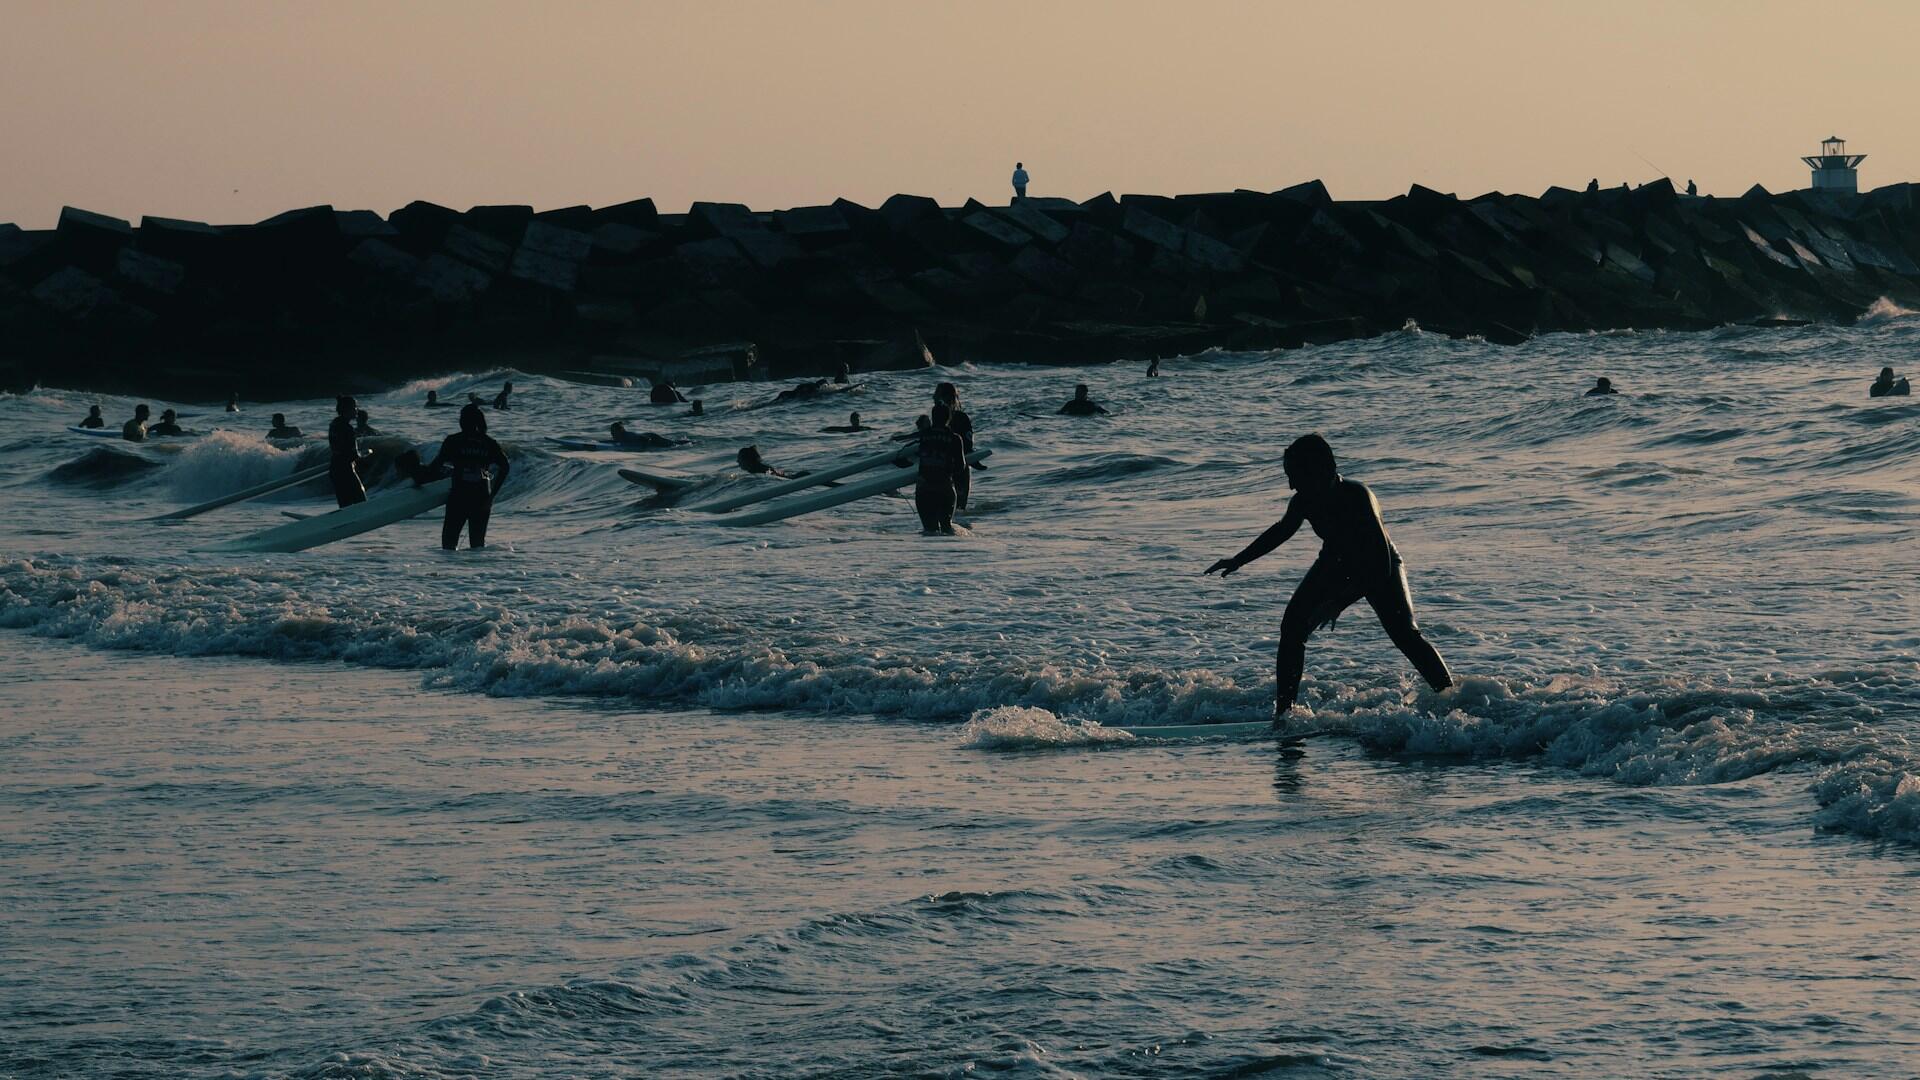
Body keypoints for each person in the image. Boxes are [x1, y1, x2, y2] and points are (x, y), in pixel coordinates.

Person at [1205, 433, 1454, 718]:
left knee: (1405, 634)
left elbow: (1380, 566)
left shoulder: (1358, 496)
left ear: (1322, 469)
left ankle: (1450, 698)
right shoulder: (1302, 501)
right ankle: (1284, 714)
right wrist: (1239, 559)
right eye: (1289, 477)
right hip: (1334, 562)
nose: (1291, 485)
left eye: (1296, 476)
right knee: (1292, 628)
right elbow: (1281, 531)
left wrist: (1338, 603)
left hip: (1377, 563)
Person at [422, 403, 510, 550]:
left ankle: (452, 567)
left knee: (448, 546)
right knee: (477, 546)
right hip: (482, 498)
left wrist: (420, 479)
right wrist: (492, 496)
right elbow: (505, 467)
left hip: (459, 496)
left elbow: (435, 467)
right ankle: (478, 566)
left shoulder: (453, 441)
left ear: (463, 421)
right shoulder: (489, 442)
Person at [897, 405, 965, 535]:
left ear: (933, 418)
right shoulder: (955, 438)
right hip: (944, 488)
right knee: (946, 529)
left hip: (924, 489)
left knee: (929, 531)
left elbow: (902, 457)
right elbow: (960, 467)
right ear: (949, 418)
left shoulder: (923, 436)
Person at [934, 382, 977, 510]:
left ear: (946, 397)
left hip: (959, 467)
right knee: (946, 508)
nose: (933, 397)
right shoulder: (936, 418)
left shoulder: (961, 418)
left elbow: (968, 444)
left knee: (959, 508)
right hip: (941, 469)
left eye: (936, 394)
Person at [327, 396, 368, 507]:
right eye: (355, 407)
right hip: (345, 470)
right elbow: (352, 454)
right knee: (361, 502)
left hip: (335, 468)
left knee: (345, 505)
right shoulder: (347, 428)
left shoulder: (334, 424)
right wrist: (363, 457)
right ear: (347, 409)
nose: (357, 410)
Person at [609, 422, 674, 448]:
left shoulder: (628, 436)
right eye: (611, 431)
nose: (612, 433)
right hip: (648, 436)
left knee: (672, 444)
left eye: (613, 431)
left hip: (653, 438)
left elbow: (646, 439)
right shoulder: (620, 437)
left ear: (620, 431)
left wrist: (644, 448)